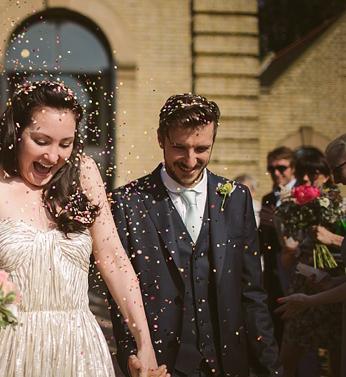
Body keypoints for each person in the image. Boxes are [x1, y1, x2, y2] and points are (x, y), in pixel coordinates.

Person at [0, 80, 168, 377]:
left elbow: (114, 260)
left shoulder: (85, 171)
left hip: (81, 353)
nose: (53, 156)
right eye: (41, 141)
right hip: (11, 350)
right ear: (16, 131)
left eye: (65, 144)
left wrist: (143, 342)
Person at [109, 93, 282, 376]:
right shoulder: (128, 202)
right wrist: (131, 356)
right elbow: (120, 295)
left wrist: (271, 368)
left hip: (228, 363)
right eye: (179, 147)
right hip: (161, 365)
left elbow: (252, 294)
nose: (190, 160)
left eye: (202, 148)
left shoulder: (237, 198)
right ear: (160, 139)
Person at [276, 133, 346, 374]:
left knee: (337, 359)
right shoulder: (293, 208)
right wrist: (291, 251)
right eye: (302, 175)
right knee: (289, 355)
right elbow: (286, 260)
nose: (306, 179)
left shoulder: (340, 206)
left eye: (314, 173)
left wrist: (333, 240)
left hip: (334, 295)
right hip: (311, 284)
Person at [259, 146, 298, 348]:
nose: (276, 173)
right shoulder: (268, 198)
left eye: (281, 168)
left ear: (293, 169)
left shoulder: (301, 195)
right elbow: (262, 236)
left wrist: (279, 223)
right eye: (272, 168)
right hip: (273, 267)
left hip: (296, 265)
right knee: (275, 317)